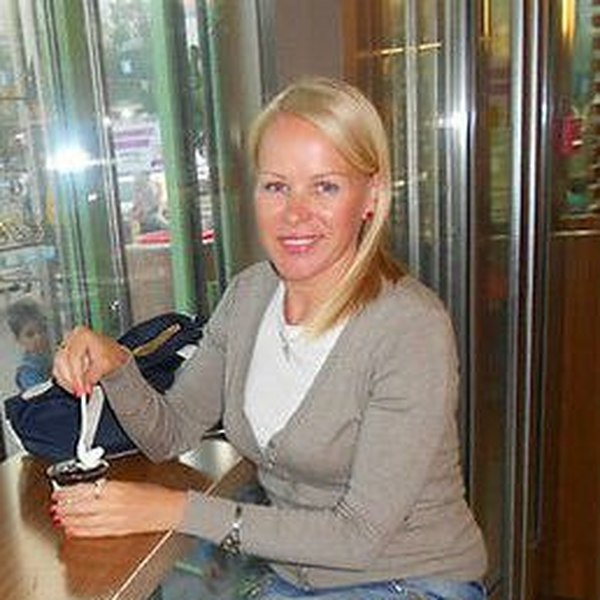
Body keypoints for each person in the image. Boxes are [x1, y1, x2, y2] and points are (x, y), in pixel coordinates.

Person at [51, 77, 487, 599]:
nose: (295, 213)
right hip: (294, 580)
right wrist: (116, 364)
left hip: (408, 581)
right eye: (276, 186)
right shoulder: (249, 296)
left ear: (371, 196)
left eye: (325, 186)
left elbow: (358, 536)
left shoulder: (408, 328)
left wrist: (174, 510)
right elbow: (171, 433)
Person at [6, 297, 52, 391]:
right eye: (30, 334)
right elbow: (42, 397)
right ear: (18, 339)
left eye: (43, 329)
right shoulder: (28, 373)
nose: (39, 337)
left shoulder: (54, 353)